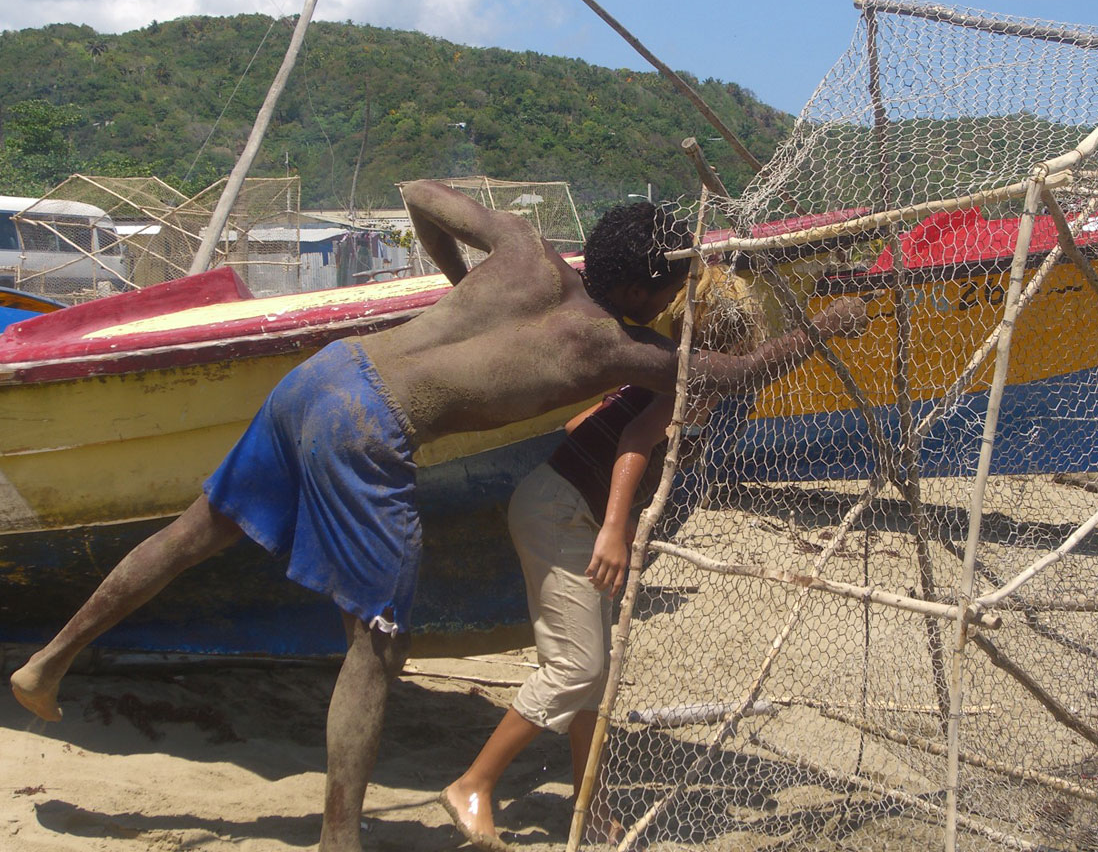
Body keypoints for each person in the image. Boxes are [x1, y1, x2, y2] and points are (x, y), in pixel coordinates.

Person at [9, 181, 867, 852]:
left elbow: (419, 193)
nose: (676, 298)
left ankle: (48, 665)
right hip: (370, 430)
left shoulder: (526, 252)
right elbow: (739, 372)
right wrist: (827, 323)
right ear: (648, 286)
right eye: (674, 283)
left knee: (200, 529)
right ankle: (340, 837)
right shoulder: (615, 347)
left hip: (323, 375)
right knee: (377, 643)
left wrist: (465, 286)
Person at [439, 271, 773, 850]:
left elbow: (579, 426)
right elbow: (635, 441)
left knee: (593, 678)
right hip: (566, 516)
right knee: (576, 669)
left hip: (558, 504)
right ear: (732, 341)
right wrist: (615, 528)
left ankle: (588, 807)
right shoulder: (689, 380)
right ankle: (473, 784)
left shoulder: (659, 365)